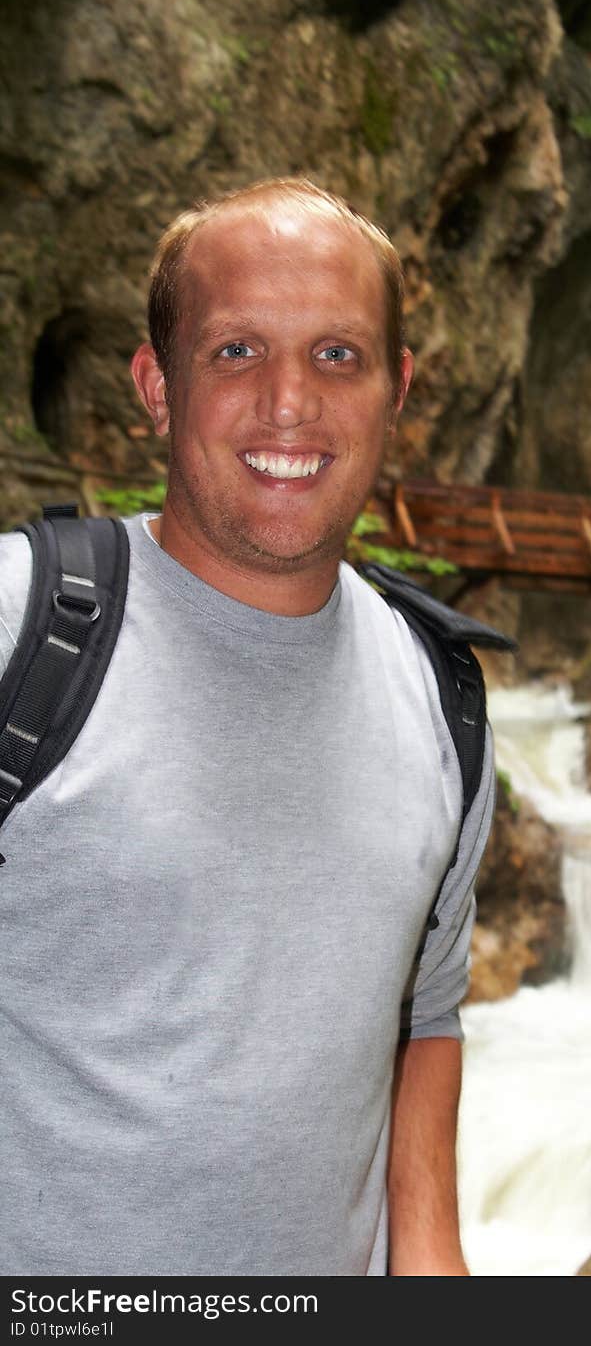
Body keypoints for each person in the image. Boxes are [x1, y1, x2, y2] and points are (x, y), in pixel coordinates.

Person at [0, 178, 497, 1276]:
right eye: (234, 352)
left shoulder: (442, 696)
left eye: (336, 355)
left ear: (395, 388)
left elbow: (427, 1014)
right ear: (157, 388)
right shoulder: (24, 632)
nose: (288, 402)